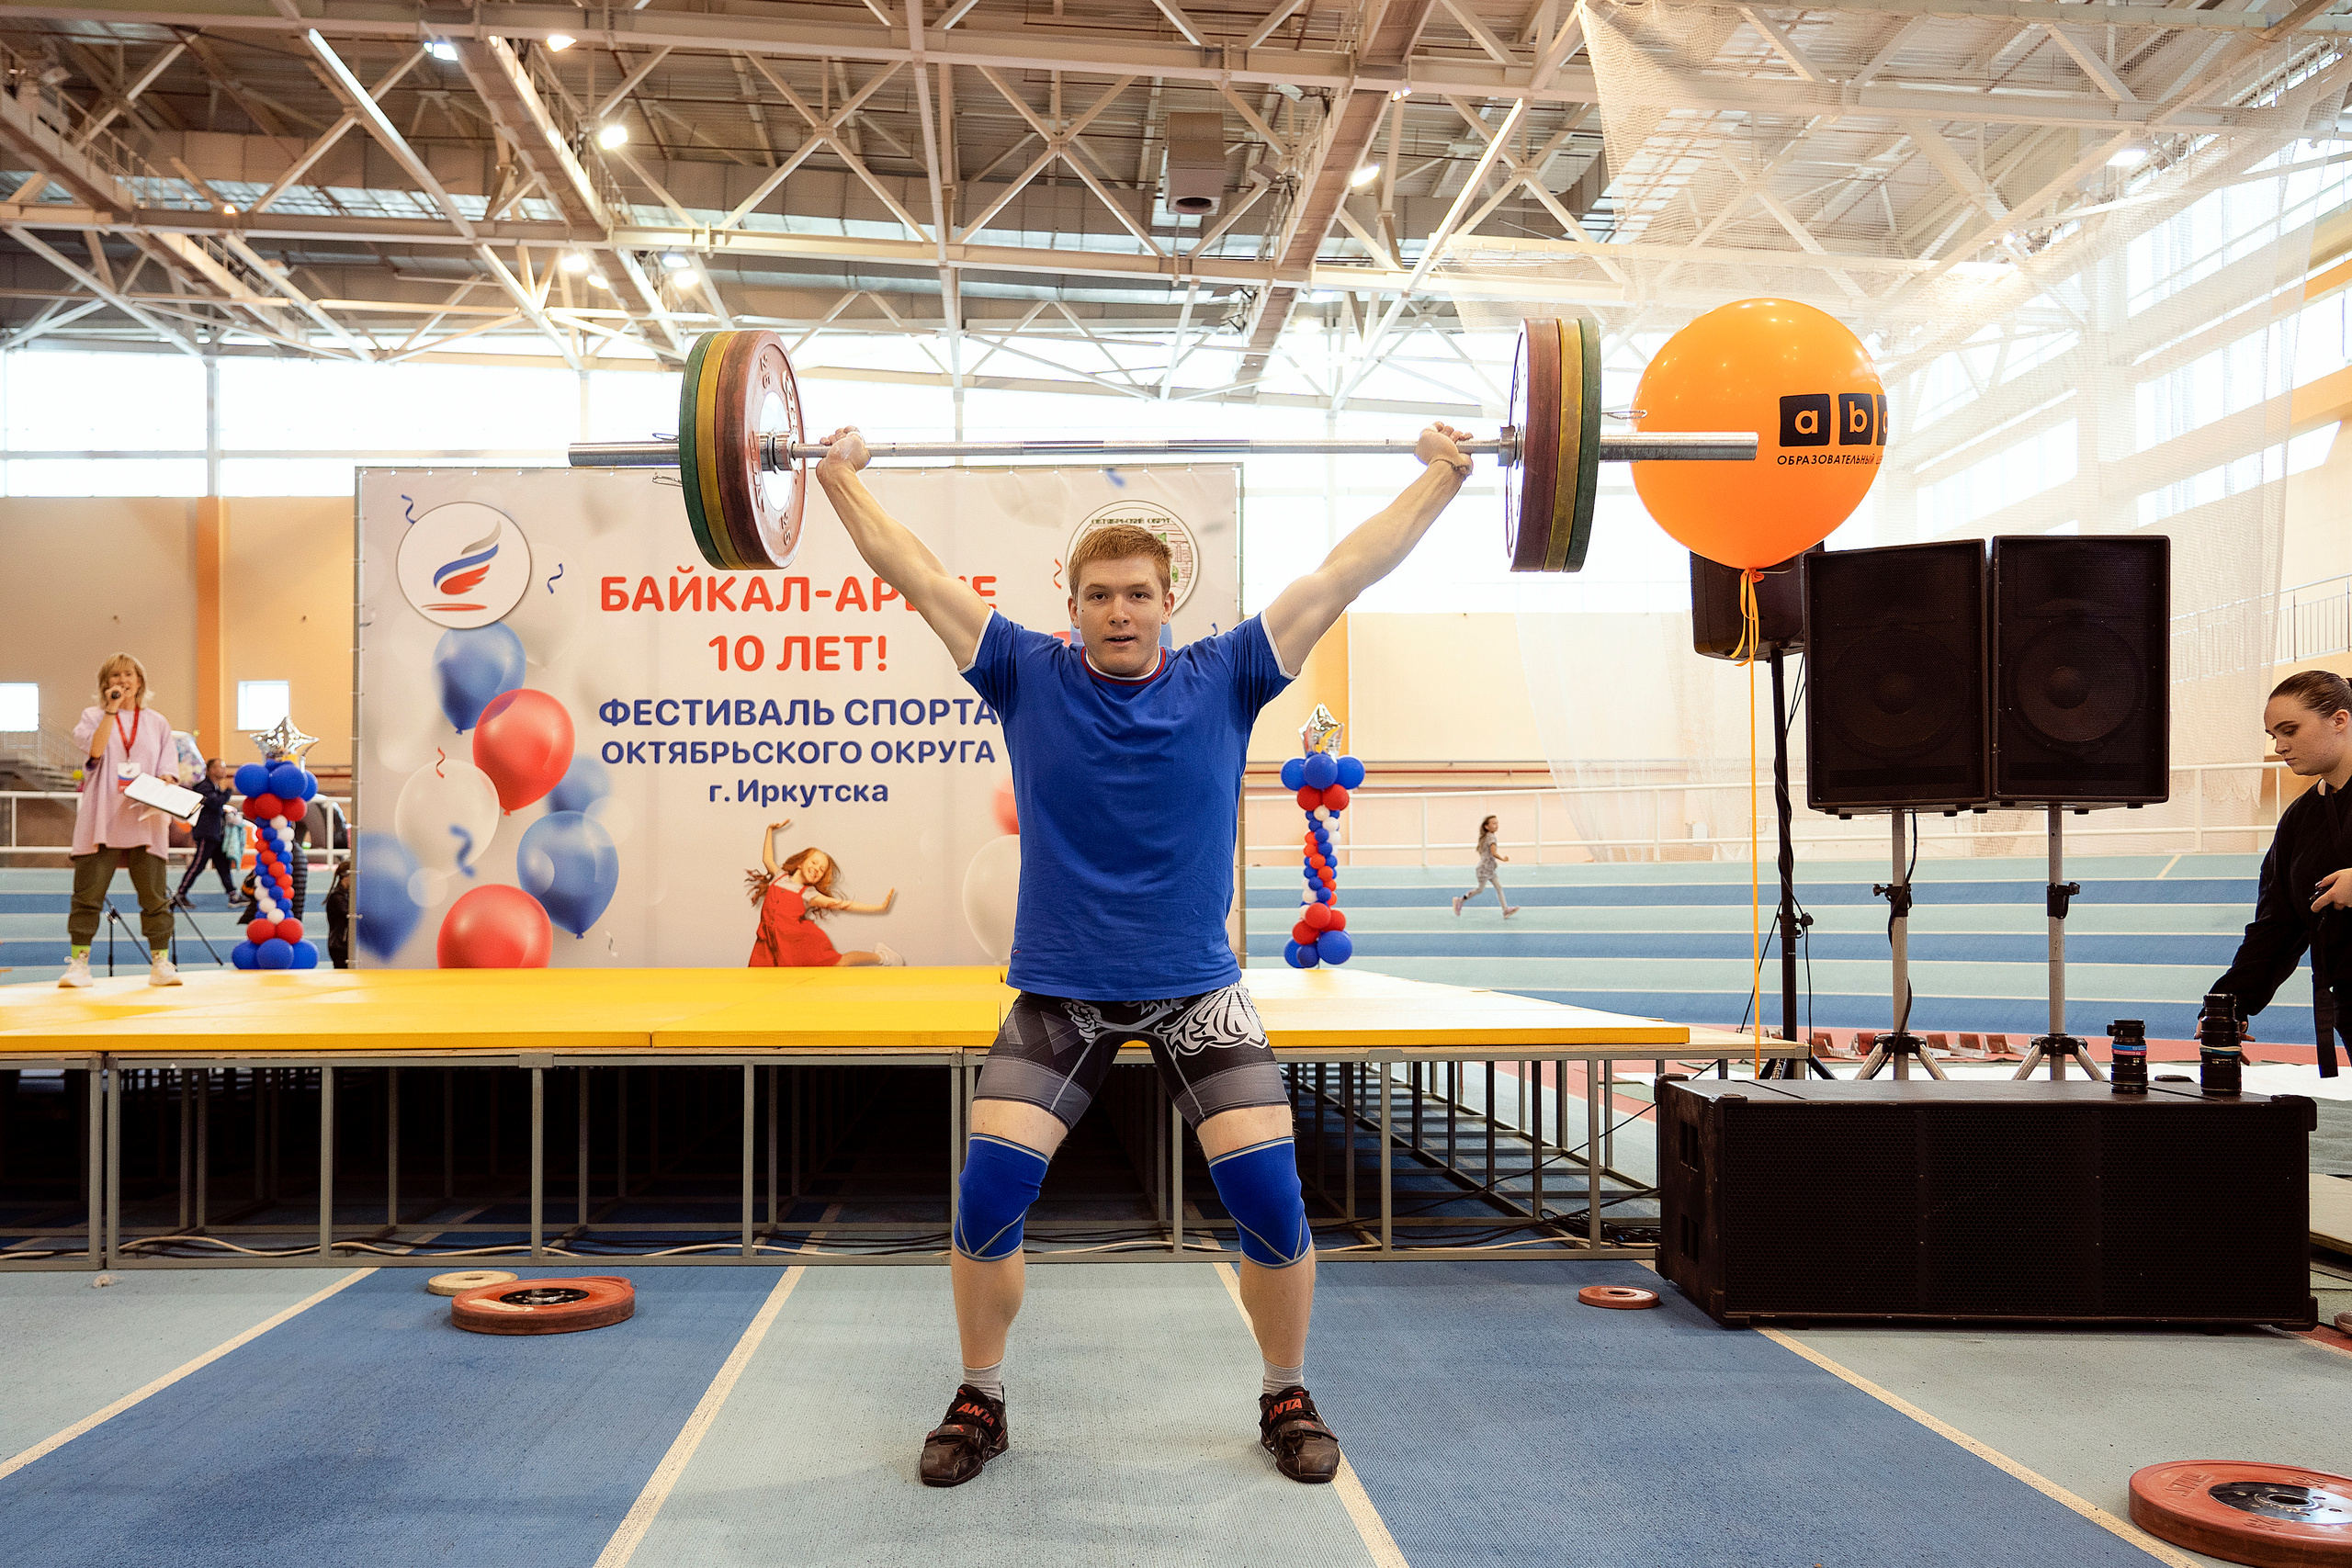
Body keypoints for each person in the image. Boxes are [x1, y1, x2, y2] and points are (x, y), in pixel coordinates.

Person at [814, 416, 1472, 1489]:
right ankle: (980, 1392)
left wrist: (1442, 479)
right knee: (986, 1196)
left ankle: (1284, 1390)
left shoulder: (1230, 674)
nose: (1118, 611)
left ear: (1168, 601)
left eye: (1137, 593)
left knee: (1271, 1203)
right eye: (1097, 595)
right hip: (1060, 993)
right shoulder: (1023, 673)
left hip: (1193, 993)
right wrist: (838, 481)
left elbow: (1347, 567)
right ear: (1070, 606)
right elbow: (914, 570)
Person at [2210, 669, 2352, 1077]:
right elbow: (2277, 926)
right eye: (2273, 735)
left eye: (2290, 730)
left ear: (2339, 720)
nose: (2281, 746)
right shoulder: (2299, 820)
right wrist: (2227, 1006)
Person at [62, 653, 182, 987]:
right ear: (106, 684)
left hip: (145, 819)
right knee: (87, 896)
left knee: (155, 896)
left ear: (139, 681)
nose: (122, 680)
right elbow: (95, 752)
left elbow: (169, 770)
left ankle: (160, 962)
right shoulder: (93, 716)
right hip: (102, 817)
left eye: (128, 674)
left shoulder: (158, 722)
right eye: (114, 676)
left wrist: (166, 786)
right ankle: (79, 963)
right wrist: (111, 712)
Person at [746, 820, 902, 966]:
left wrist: (879, 908)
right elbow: (767, 859)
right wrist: (770, 830)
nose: (817, 869)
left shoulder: (808, 894)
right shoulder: (779, 877)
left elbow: (844, 905)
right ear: (801, 863)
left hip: (798, 943)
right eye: (814, 862)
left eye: (822, 870)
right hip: (768, 942)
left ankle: (883, 956)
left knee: (840, 962)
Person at [172, 759, 239, 909]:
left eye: (224, 767)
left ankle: (233, 894)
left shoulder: (214, 788)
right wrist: (228, 791)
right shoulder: (204, 787)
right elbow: (215, 803)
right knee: (198, 864)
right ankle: (180, 894)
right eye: (219, 767)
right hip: (207, 833)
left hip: (216, 834)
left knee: (223, 865)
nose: (223, 770)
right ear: (210, 770)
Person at [1453, 813, 1518, 917]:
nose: (1496, 825)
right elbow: (1493, 852)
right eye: (1493, 823)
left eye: (1497, 823)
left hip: (1489, 868)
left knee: (1498, 887)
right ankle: (1460, 900)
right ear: (1486, 826)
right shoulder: (1491, 837)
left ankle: (1505, 910)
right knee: (1480, 889)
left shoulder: (1486, 837)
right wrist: (1503, 859)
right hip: (1484, 869)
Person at [324, 856, 354, 969]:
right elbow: (348, 915)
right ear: (345, 876)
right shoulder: (337, 897)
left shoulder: (346, 895)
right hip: (340, 945)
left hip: (344, 944)